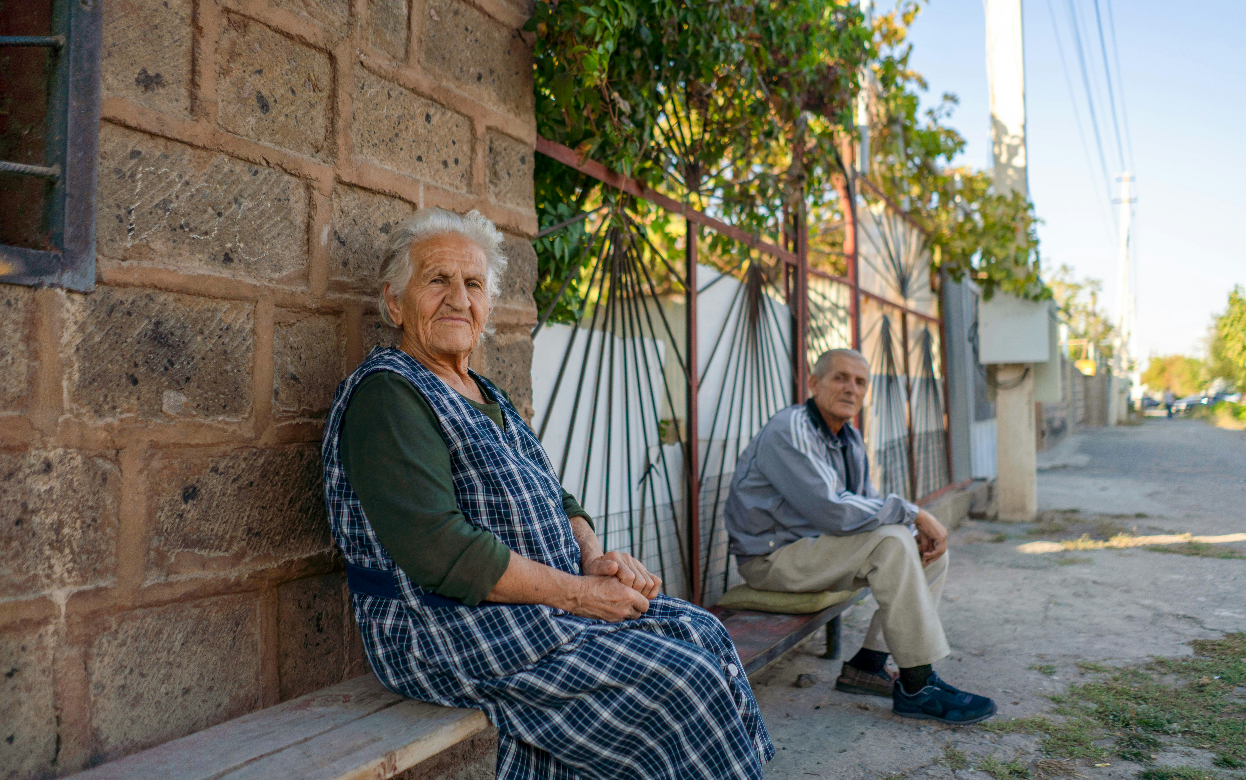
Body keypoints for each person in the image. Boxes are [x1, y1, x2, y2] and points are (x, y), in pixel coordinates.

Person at [322, 208, 772, 779]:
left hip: (536, 607)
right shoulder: (390, 394)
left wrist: (595, 559)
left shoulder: (484, 393)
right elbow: (441, 550)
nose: (459, 298)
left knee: (700, 631)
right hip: (443, 627)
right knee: (684, 682)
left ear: (486, 308)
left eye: (474, 285)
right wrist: (581, 595)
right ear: (394, 303)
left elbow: (559, 498)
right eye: (437, 280)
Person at [723, 348, 997, 725]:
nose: (851, 388)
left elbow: (866, 505)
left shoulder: (848, 438)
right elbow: (833, 510)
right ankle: (918, 686)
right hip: (772, 559)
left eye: (860, 381)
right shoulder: (791, 429)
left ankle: (868, 665)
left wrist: (911, 524)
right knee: (893, 540)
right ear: (814, 383)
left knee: (922, 548)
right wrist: (915, 513)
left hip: (817, 553)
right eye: (840, 378)